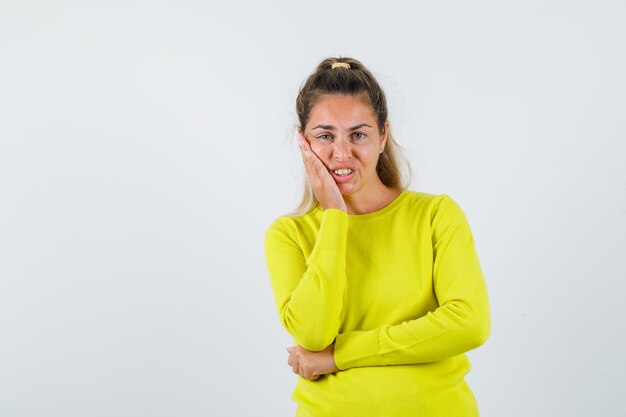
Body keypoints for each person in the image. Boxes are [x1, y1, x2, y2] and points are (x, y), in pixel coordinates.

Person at [264, 57, 490, 417]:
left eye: (358, 134)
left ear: (383, 135)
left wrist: (340, 355)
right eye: (325, 136)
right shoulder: (288, 235)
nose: (342, 153)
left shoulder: (436, 215)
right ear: (303, 142)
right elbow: (313, 334)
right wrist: (335, 217)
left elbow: (469, 324)